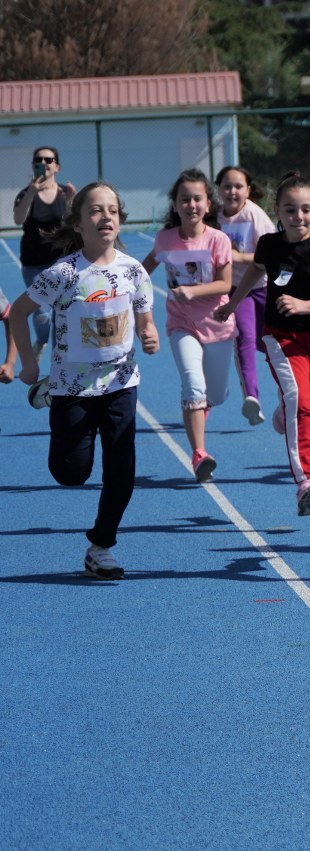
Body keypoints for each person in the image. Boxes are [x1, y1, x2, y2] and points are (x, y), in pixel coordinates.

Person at [6, 182, 159, 579]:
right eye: (94, 210)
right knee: (71, 473)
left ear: (120, 219)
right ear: (77, 223)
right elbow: (18, 313)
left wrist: (149, 334)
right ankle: (52, 402)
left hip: (120, 383)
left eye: (111, 209)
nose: (104, 216)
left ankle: (101, 546)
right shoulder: (63, 274)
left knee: (122, 471)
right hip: (71, 387)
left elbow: (144, 317)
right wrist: (28, 365)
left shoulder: (133, 271)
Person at [216, 172, 310, 517]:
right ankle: (305, 481)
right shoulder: (270, 245)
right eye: (290, 210)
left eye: (305, 209)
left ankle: (283, 415)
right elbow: (255, 272)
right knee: (299, 401)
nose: (298, 217)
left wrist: (307, 306)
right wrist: (232, 304)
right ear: (277, 210)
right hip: (280, 335)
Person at [140, 169, 234, 482]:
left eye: (197, 198)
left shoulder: (218, 239)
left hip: (217, 324)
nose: (191, 204)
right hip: (181, 324)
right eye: (184, 199)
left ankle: (201, 408)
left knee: (215, 395)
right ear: (175, 204)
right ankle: (199, 454)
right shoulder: (165, 238)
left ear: (208, 204)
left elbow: (225, 285)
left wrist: (192, 290)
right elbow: (145, 268)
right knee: (193, 385)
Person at [215, 165, 275, 427]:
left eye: (238, 186)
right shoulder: (213, 217)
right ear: (218, 190)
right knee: (245, 340)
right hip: (233, 289)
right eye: (227, 186)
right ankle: (251, 396)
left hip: (261, 286)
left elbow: (273, 252)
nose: (232, 191)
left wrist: (239, 256)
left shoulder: (255, 216)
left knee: (268, 343)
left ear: (248, 190)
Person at [12, 146, 74, 354]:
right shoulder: (25, 194)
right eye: (39, 160)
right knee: (42, 312)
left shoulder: (65, 193)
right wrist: (31, 191)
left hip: (62, 262)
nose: (44, 163)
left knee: (61, 313)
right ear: (33, 165)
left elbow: (77, 225)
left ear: (57, 166)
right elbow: (18, 219)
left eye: (49, 160)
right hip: (34, 264)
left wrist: (72, 204)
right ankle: (41, 339)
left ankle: (58, 360)